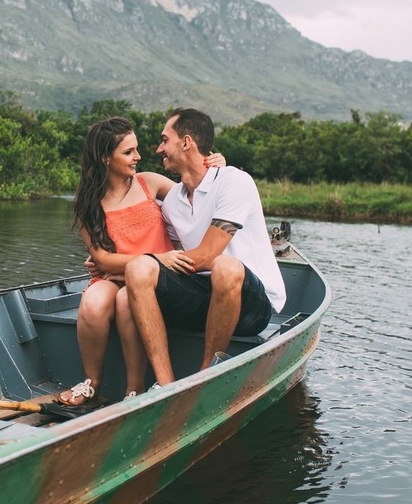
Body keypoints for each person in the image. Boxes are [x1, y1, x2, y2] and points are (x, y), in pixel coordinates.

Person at [57, 116, 225, 406]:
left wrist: (214, 167)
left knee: (126, 301)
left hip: (158, 277)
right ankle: (91, 382)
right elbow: (102, 258)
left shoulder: (149, 183)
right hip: (116, 273)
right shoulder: (88, 203)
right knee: (93, 302)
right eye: (128, 152)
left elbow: (196, 195)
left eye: (136, 149)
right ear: (104, 158)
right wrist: (155, 258)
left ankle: (133, 389)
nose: (138, 157)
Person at [125, 107, 285, 385]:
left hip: (252, 305)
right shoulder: (173, 200)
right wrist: (116, 262)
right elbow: (170, 254)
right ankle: (165, 385)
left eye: (165, 140)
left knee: (223, 265)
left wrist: (157, 261)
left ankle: (205, 376)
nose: (159, 148)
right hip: (205, 295)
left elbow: (206, 256)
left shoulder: (234, 181)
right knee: (139, 269)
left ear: (186, 142)